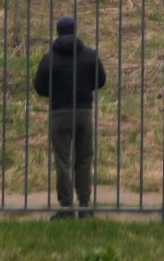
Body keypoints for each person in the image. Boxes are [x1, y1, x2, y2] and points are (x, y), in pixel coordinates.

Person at [32, 14, 106, 218]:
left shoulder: (49, 58)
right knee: (84, 158)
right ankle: (84, 205)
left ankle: (65, 207)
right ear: (75, 31)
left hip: (59, 113)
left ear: (58, 32)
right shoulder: (90, 55)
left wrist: (55, 92)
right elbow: (100, 80)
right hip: (83, 112)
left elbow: (39, 87)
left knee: (62, 161)